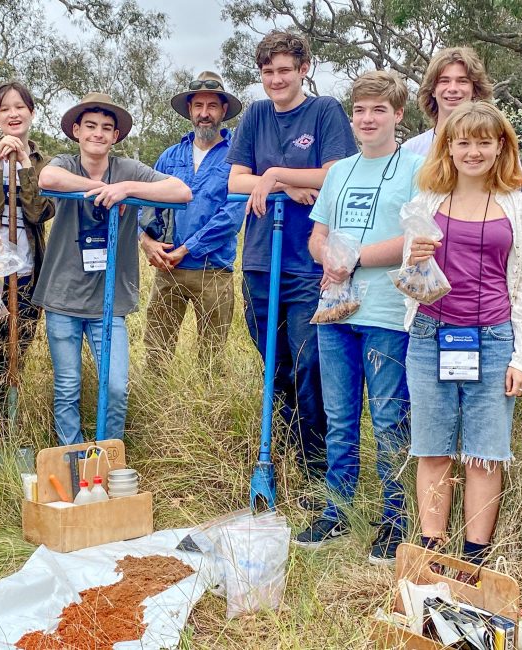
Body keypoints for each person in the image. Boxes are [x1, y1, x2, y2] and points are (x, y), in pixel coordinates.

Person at [404, 102, 522, 573]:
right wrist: (415, 258)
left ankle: (474, 560)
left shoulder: (520, 209)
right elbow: (410, 278)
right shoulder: (425, 203)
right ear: (448, 147)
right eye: (463, 142)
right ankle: (432, 554)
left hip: (493, 339)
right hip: (429, 337)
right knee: (433, 447)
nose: (474, 151)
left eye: (485, 141)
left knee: (485, 452)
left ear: (501, 145)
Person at [294, 71, 424, 565]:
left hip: (387, 311)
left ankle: (396, 518)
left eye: (378, 110)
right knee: (340, 416)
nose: (367, 119)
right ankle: (338, 508)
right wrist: (327, 256)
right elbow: (317, 236)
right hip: (334, 309)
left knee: (389, 417)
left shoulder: (415, 168)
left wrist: (355, 259)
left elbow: (416, 239)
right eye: (361, 110)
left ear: (397, 115)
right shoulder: (340, 171)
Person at [228, 30, 358, 489]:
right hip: (261, 259)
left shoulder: (325, 112)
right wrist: (281, 185)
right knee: (275, 364)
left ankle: (319, 469)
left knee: (308, 365)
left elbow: (333, 174)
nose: (276, 79)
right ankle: (284, 455)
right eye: (268, 72)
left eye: (285, 70)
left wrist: (277, 174)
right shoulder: (257, 115)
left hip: (308, 263)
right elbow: (236, 181)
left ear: (304, 70)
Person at [36, 92, 192, 445]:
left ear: (116, 136)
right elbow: (47, 179)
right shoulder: (65, 163)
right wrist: (101, 189)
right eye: (90, 126)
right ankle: (72, 457)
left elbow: (181, 191)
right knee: (67, 386)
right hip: (63, 296)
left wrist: (126, 189)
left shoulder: (128, 170)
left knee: (116, 386)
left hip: (109, 301)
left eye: (107, 128)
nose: (98, 133)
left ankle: (109, 455)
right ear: (76, 130)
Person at [141, 71, 245, 373]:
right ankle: (156, 411)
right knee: (156, 351)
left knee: (212, 358)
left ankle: (210, 414)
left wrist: (187, 249)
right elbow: (145, 206)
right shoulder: (170, 156)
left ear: (223, 111)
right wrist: (148, 243)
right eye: (198, 106)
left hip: (214, 271)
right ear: (189, 110)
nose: (204, 114)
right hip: (167, 270)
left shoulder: (236, 159)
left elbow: (231, 217)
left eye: (212, 106)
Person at [0, 82, 56, 428]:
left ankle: (6, 427)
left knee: (15, 356)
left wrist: (23, 167)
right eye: (4, 109)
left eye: (20, 107)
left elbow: (39, 212)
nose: (13, 114)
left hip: (28, 274)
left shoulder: (42, 161)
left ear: (31, 113)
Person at [402, 47, 493, 158]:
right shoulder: (410, 151)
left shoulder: (495, 150)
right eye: (444, 81)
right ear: (433, 90)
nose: (452, 88)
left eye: (462, 81)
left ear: (474, 90)